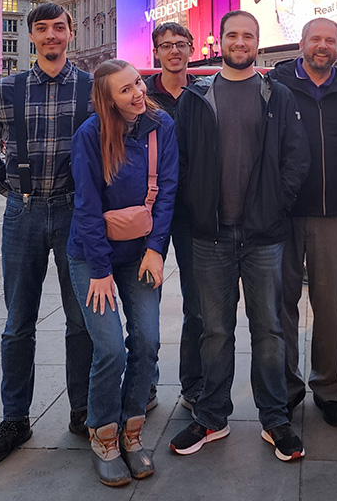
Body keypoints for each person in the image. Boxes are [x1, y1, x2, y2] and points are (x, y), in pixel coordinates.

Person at [170, 10, 309, 461]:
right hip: (210, 236)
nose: (240, 41)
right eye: (232, 35)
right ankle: (212, 416)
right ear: (221, 42)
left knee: (269, 329)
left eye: (248, 35)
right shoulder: (196, 97)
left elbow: (296, 158)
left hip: (264, 235)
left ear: (257, 41)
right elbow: (182, 160)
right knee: (215, 331)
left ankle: (275, 419)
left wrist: (276, 205)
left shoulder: (278, 94)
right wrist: (194, 203)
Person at [0, 3, 94, 469]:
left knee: (81, 319)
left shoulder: (90, 86)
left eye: (58, 28)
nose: (50, 36)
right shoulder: (6, 88)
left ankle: (81, 411)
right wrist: (15, 193)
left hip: (74, 215)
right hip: (22, 215)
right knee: (17, 322)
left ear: (70, 33)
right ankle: (14, 419)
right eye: (41, 29)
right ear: (31, 37)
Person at [68, 60, 178, 486]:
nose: (136, 93)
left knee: (148, 341)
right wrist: (99, 269)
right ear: (107, 99)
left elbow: (167, 190)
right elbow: (87, 206)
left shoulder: (159, 125)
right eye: (124, 90)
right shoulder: (90, 135)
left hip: (140, 254)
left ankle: (132, 432)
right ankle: (104, 434)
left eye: (137, 83)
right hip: (92, 256)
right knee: (111, 348)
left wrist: (155, 251)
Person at [272, 18, 337, 427]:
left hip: (335, 215)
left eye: (330, 40)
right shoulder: (274, 87)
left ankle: (328, 388)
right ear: (302, 43)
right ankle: (287, 389)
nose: (322, 46)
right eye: (316, 39)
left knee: (329, 307)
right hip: (283, 214)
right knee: (282, 307)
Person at [144, 22, 204, 411]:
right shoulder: (141, 96)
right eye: (166, 46)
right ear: (156, 53)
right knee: (146, 300)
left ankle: (193, 385)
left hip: (195, 211)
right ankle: (144, 384)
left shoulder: (204, 95)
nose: (174, 52)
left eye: (181, 45)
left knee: (198, 304)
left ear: (192, 49)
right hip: (149, 212)